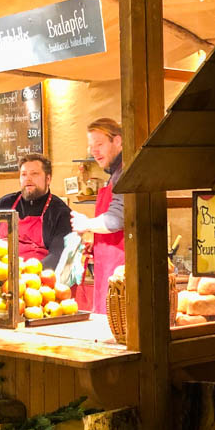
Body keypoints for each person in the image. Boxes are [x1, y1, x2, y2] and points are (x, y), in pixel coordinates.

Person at [70, 118, 124, 315]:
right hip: (108, 263)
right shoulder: (114, 174)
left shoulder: (125, 172)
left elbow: (117, 219)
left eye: (99, 144)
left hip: (120, 267)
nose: (94, 151)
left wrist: (87, 224)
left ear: (117, 141)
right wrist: (98, 239)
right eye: (91, 146)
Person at [0, 153, 72, 269]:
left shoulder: (61, 213)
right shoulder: (5, 204)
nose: (28, 178)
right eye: (23, 174)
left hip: (36, 280)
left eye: (34, 174)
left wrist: (27, 273)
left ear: (48, 179)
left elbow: (58, 255)